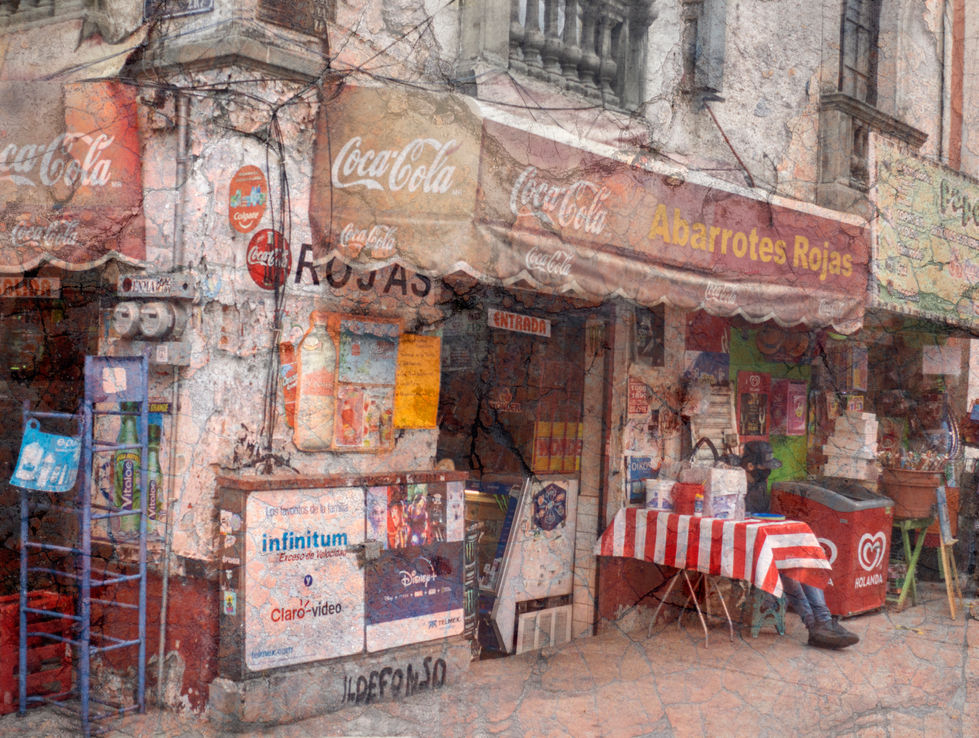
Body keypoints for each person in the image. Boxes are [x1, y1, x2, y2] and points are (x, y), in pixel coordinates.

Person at [740, 440, 860, 649]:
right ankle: (817, 624)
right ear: (750, 466)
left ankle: (820, 622)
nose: (767, 472)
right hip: (745, 547)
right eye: (764, 467)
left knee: (802, 561)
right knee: (788, 571)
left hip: (765, 541)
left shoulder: (760, 485)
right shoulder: (735, 484)